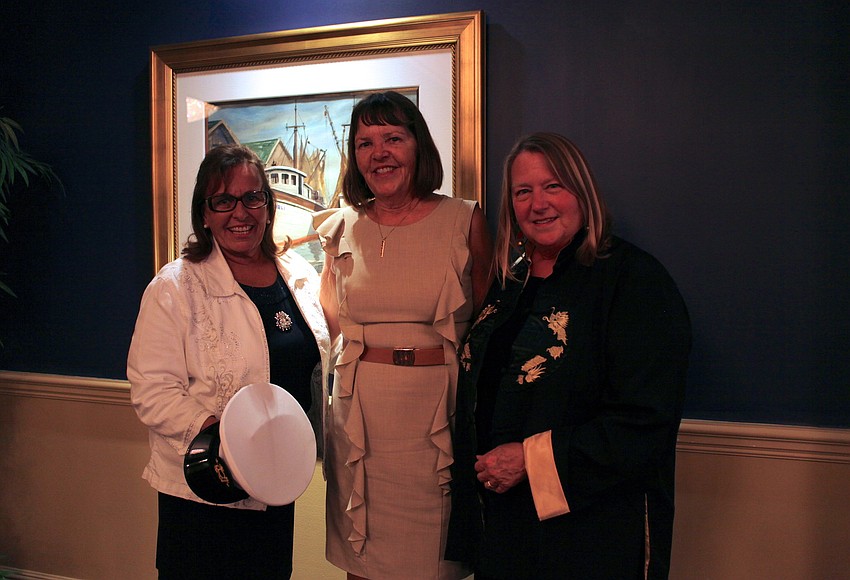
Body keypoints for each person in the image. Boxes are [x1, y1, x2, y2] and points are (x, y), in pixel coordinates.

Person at [446, 132, 691, 579]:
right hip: (504, 527)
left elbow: (645, 424)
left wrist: (530, 459)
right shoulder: (507, 286)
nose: (538, 203)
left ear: (583, 191)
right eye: (523, 192)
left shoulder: (632, 281)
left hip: (592, 532)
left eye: (553, 186)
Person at [127, 144, 331, 579]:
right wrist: (230, 439)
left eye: (252, 197)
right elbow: (152, 390)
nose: (240, 212)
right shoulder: (175, 287)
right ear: (205, 213)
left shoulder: (297, 273)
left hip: (275, 484)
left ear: (268, 205)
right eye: (224, 201)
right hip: (203, 490)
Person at [312, 91, 493, 580]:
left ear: (419, 146)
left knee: (436, 564)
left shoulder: (465, 220)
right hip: (359, 420)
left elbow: (487, 321)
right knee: (362, 558)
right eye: (366, 142)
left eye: (393, 138)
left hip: (435, 420)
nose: (379, 153)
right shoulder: (343, 226)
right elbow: (334, 317)